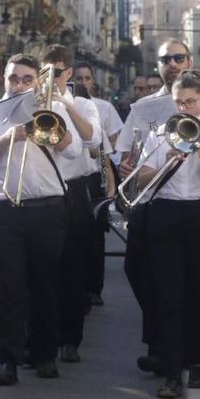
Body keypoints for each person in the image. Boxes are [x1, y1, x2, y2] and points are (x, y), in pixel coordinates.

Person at [121, 71, 200, 398]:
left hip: (199, 214)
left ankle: (196, 362)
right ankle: (171, 371)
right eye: (179, 102)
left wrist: (197, 147)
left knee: (199, 291)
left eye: (190, 102)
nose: (183, 108)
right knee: (168, 295)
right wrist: (164, 162)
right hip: (164, 215)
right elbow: (140, 179)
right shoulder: (159, 136)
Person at [0, 54, 80, 385]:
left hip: (47, 208)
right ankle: (7, 360)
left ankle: (45, 355)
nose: (20, 85)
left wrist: (51, 121)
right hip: (3, 208)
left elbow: (72, 151)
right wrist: (9, 136)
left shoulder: (54, 108)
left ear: (38, 82)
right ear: (4, 80)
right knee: (10, 287)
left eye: (27, 79)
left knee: (45, 284)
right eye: (14, 79)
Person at [44, 46, 102, 361]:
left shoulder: (82, 104)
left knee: (72, 269)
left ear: (68, 73)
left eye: (57, 71)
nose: (51, 77)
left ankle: (70, 339)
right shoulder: (30, 102)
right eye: (46, 71)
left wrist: (66, 104)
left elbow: (94, 141)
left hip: (73, 189)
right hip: (40, 191)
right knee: (41, 270)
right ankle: (41, 338)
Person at [73, 61, 122, 307]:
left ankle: (94, 288)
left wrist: (111, 188)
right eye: (77, 79)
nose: (82, 83)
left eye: (86, 78)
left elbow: (103, 154)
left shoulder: (102, 108)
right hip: (70, 180)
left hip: (94, 180)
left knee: (94, 237)